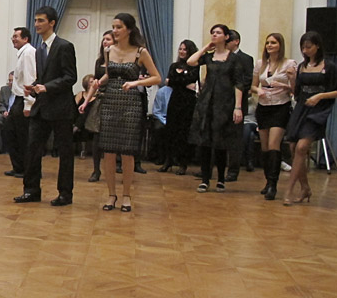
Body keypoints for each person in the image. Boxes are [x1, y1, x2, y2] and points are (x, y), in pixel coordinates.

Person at [89, 13, 161, 212]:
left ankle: (126, 195)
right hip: (110, 101)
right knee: (108, 151)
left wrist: (136, 82)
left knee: (127, 152)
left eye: (119, 27)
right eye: (113, 27)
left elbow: (157, 77)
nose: (115, 30)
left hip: (131, 104)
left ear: (129, 29)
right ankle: (111, 195)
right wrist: (99, 82)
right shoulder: (108, 50)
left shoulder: (140, 52)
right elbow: (108, 74)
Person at [14, 6, 77, 206]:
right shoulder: (39, 49)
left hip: (61, 108)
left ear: (52, 23)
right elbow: (43, 78)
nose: (36, 24)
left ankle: (65, 193)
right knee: (32, 148)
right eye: (35, 20)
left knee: (65, 152)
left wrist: (46, 87)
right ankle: (31, 190)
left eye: (41, 20)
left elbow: (70, 77)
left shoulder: (64, 46)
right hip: (41, 107)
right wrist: (33, 88)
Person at [283, 31, 337, 205]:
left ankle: (289, 189)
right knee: (293, 146)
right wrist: (292, 79)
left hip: (318, 110)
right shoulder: (302, 66)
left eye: (308, 47)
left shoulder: (329, 66)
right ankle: (305, 188)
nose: (305, 50)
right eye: (303, 47)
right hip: (302, 108)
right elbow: (297, 93)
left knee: (302, 147)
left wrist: (320, 96)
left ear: (317, 46)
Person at [187, 23, 246, 192]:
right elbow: (191, 61)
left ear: (226, 37)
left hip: (225, 103)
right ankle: (205, 179)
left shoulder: (234, 59)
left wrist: (238, 107)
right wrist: (205, 48)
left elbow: (239, 83)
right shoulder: (209, 57)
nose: (214, 35)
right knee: (205, 142)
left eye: (218, 33)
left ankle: (220, 179)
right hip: (207, 102)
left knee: (221, 143)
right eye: (213, 32)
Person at [251, 33, 297, 200]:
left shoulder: (289, 64)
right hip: (263, 107)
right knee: (264, 147)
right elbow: (252, 86)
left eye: (273, 43)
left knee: (273, 144)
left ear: (280, 45)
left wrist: (287, 84)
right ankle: (267, 180)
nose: (269, 45)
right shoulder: (260, 64)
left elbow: (295, 90)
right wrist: (258, 90)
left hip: (281, 106)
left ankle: (273, 184)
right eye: (268, 43)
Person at [159, 40, 199, 175]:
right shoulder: (173, 66)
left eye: (185, 49)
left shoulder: (194, 66)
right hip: (175, 100)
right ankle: (168, 161)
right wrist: (182, 82)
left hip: (188, 102)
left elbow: (179, 81)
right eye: (180, 49)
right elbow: (168, 81)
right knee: (170, 131)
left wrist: (175, 81)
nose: (182, 52)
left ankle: (183, 163)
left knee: (184, 133)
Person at [79, 31, 114, 182]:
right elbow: (95, 84)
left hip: (114, 99)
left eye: (108, 39)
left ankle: (115, 168)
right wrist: (86, 101)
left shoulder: (118, 60)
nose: (105, 42)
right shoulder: (99, 61)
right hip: (101, 99)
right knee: (96, 136)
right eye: (104, 39)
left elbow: (108, 76)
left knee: (112, 137)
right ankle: (96, 170)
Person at [3, 27, 36, 178]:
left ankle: (25, 168)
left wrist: (28, 104)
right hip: (18, 99)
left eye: (16, 36)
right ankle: (18, 166)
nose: (13, 39)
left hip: (23, 99)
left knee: (22, 136)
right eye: (13, 36)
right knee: (11, 132)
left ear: (25, 39)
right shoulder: (23, 53)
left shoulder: (28, 53)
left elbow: (30, 78)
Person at [226, 30, 255, 180]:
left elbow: (247, 80)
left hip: (237, 101)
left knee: (235, 137)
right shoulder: (221, 57)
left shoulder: (246, 59)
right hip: (221, 102)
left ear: (236, 41)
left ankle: (233, 170)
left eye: (228, 41)